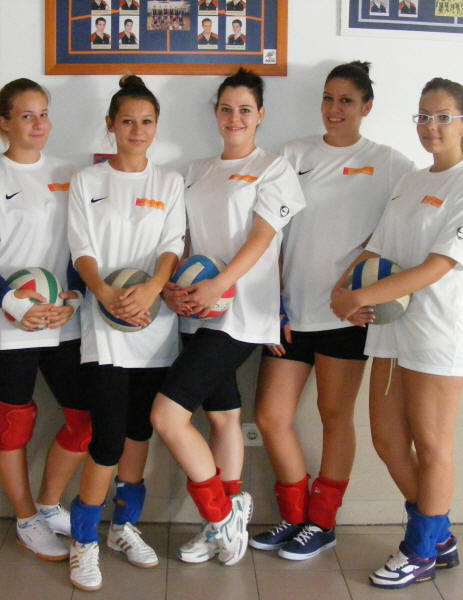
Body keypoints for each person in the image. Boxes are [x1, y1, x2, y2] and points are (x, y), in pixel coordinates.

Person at [249, 61, 414, 562]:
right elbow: (272, 234)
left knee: (334, 416)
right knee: (271, 417)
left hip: (346, 316)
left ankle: (322, 522)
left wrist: (373, 295)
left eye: (346, 100)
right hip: (291, 313)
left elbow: (404, 234)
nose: (334, 109)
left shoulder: (390, 162)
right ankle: (295, 514)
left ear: (366, 107)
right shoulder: (293, 154)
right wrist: (272, 304)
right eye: (328, 98)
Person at [330, 77, 463, 589]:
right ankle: (439, 533)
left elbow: (438, 266)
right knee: (388, 440)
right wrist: (343, 288)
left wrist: (362, 298)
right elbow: (378, 248)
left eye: (443, 117)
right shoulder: (411, 181)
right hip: (391, 331)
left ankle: (421, 549)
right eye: (423, 116)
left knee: (433, 445)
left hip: (436, 336)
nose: (431, 126)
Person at [151, 68, 304, 568]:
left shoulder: (273, 169)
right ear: (215, 113)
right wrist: (173, 288)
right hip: (197, 309)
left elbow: (262, 238)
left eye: (245, 110)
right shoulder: (196, 169)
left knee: (166, 416)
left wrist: (221, 285)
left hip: (241, 313)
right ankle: (228, 514)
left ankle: (219, 517)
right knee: (222, 416)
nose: (234, 118)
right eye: (226, 109)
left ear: (261, 115)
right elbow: (184, 238)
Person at [0, 77, 91, 565]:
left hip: (62, 319)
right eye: (26, 115)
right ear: (4, 123)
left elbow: (80, 249)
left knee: (85, 419)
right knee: (13, 424)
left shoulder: (68, 172)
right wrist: (16, 306)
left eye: (44, 114)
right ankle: (25, 520)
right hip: (7, 325)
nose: (38, 124)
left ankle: (49, 504)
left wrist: (72, 299)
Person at [66, 75, 185, 592]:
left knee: (139, 432)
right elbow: (82, 249)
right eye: (128, 121)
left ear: (157, 126)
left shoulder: (170, 182)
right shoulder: (86, 181)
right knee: (108, 439)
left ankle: (124, 527)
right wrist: (105, 294)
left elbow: (172, 244)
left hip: (154, 327)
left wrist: (154, 287)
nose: (137, 130)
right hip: (106, 327)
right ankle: (84, 540)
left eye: (147, 121)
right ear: (111, 125)